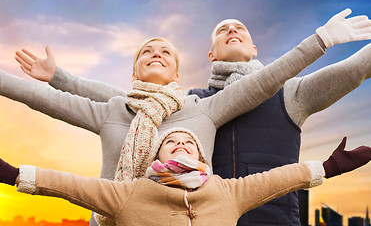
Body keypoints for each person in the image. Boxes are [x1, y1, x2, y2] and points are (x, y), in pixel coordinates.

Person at [7, 9, 371, 225]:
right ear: (209, 55)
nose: (232, 30)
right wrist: (60, 78)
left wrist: (321, 39)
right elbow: (99, 102)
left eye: (166, 50)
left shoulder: (230, 102)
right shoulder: (158, 106)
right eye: (146, 51)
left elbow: (275, 79)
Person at [1, 129, 371, 225]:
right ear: (157, 156)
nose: (179, 146)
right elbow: (67, 184)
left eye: (187, 143)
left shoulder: (226, 191)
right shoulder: (128, 194)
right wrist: (11, 174)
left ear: (200, 156)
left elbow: (280, 178)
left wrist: (330, 166)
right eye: (171, 143)